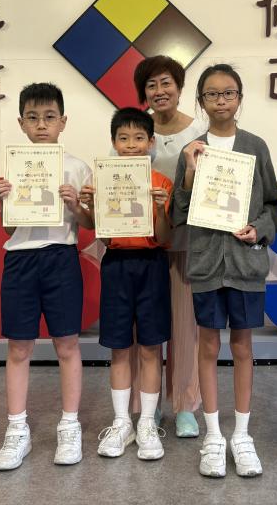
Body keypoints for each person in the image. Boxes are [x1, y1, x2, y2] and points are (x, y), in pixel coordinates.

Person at [172, 64, 277, 478]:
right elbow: (179, 213)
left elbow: (273, 205)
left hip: (245, 263)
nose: (221, 101)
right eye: (212, 94)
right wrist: (188, 170)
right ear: (200, 101)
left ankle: (242, 435)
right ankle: (214, 435)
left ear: (239, 98)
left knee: (242, 347)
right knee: (206, 346)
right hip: (206, 263)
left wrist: (259, 229)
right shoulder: (192, 149)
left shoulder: (256, 146)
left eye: (228, 93)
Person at [0, 83, 94, 471]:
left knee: (67, 344)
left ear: (63, 122)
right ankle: (17, 428)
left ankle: (69, 425)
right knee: (19, 347)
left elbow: (89, 224)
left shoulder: (78, 167)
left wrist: (75, 205)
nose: (41, 125)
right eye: (32, 118)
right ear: (21, 123)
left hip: (61, 257)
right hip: (20, 261)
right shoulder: (13, 167)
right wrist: (3, 200)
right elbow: (7, 229)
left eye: (49, 117)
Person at [81, 107, 173, 460]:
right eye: (123, 138)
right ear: (113, 142)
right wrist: (93, 206)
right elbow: (104, 237)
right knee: (119, 347)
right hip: (117, 265)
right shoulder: (103, 180)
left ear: (151, 142)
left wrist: (162, 209)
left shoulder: (161, 182)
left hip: (152, 265)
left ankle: (147, 422)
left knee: (151, 347)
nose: (131, 145)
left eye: (138, 138)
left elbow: (164, 237)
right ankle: (122, 422)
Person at [133, 55, 207, 437]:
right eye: (151, 85)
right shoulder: (135, 130)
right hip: (141, 245)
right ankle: (145, 405)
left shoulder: (200, 131)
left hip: (184, 242)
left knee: (184, 328)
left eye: (166, 83)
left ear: (179, 88)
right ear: (143, 93)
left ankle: (185, 405)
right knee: (143, 329)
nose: (159, 91)